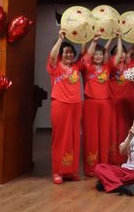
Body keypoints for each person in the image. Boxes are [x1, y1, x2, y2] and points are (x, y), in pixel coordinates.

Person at [80, 33, 121, 176]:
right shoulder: (87, 66)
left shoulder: (107, 67)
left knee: (105, 135)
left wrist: (118, 39)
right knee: (91, 135)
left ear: (103, 56)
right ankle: (91, 168)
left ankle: (104, 165)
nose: (98, 56)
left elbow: (117, 56)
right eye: (95, 54)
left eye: (100, 54)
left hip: (105, 104)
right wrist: (93, 41)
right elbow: (85, 55)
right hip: (90, 103)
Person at [47, 29, 84, 184]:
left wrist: (91, 39)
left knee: (74, 137)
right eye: (66, 52)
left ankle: (71, 171)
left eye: (71, 52)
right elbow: (52, 55)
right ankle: (58, 172)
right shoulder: (55, 67)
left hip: (76, 105)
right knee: (61, 138)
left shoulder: (76, 66)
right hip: (60, 104)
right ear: (61, 54)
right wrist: (60, 39)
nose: (69, 55)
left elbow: (86, 54)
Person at [110, 43, 134, 164]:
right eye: (117, 53)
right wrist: (119, 39)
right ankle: (115, 159)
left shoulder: (130, 66)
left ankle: (127, 158)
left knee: (127, 130)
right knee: (115, 131)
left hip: (128, 104)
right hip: (114, 102)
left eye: (123, 52)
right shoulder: (112, 67)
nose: (121, 55)